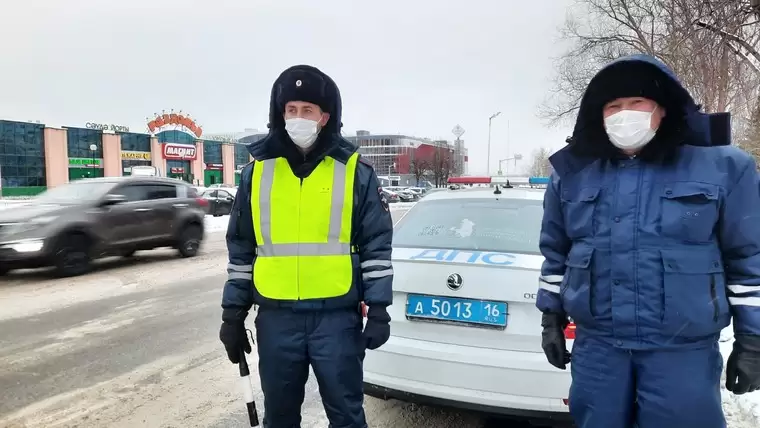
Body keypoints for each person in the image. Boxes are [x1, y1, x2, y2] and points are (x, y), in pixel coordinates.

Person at [536, 54, 760, 428]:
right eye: (614, 106)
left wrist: (752, 339)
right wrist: (550, 317)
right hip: (599, 351)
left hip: (682, 352)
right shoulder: (573, 174)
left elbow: (748, 257)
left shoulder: (724, 167)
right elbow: (556, 252)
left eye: (637, 103)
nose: (625, 114)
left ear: (663, 110)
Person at [218, 65, 394, 428]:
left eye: (307, 111)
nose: (298, 118)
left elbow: (376, 244)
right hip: (276, 318)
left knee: (346, 416)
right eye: (291, 110)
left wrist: (378, 308)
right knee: (279, 418)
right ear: (281, 114)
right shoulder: (258, 172)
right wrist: (232, 313)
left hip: (336, 319)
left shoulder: (354, 171)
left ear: (324, 116)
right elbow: (240, 249)